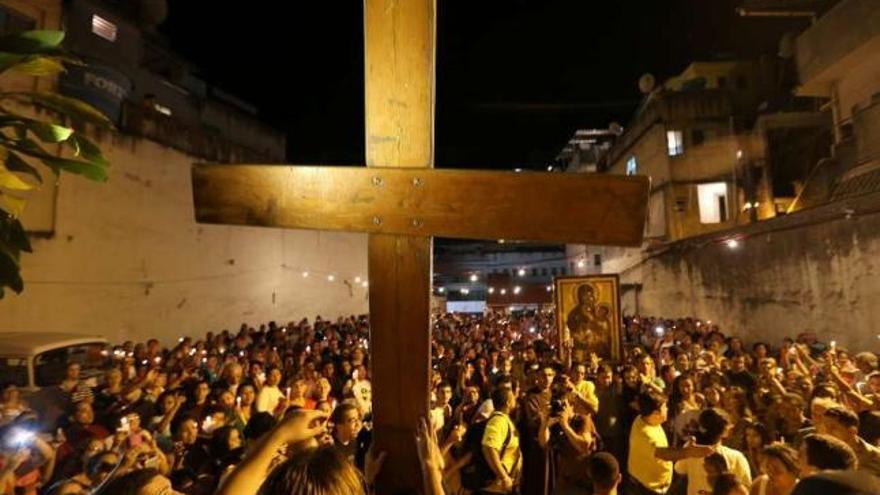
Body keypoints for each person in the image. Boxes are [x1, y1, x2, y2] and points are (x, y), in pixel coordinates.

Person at [627, 390, 714, 495]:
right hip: (646, 489)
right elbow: (664, 454)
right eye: (665, 407)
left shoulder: (644, 419)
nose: (667, 409)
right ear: (655, 413)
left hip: (657, 485)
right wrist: (689, 452)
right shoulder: (644, 434)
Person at [674, 409, 751, 495]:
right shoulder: (736, 457)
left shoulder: (691, 451)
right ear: (725, 431)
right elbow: (746, 486)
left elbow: (679, 469)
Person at [481, 386, 521, 494]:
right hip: (495, 487)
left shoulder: (505, 419)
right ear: (508, 402)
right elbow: (489, 448)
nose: (516, 400)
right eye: (513, 398)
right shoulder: (498, 421)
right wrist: (503, 476)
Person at [820, 406, 880, 477]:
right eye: (825, 427)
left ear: (852, 431)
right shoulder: (820, 452)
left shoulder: (874, 456)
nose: (827, 432)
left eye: (833, 428)